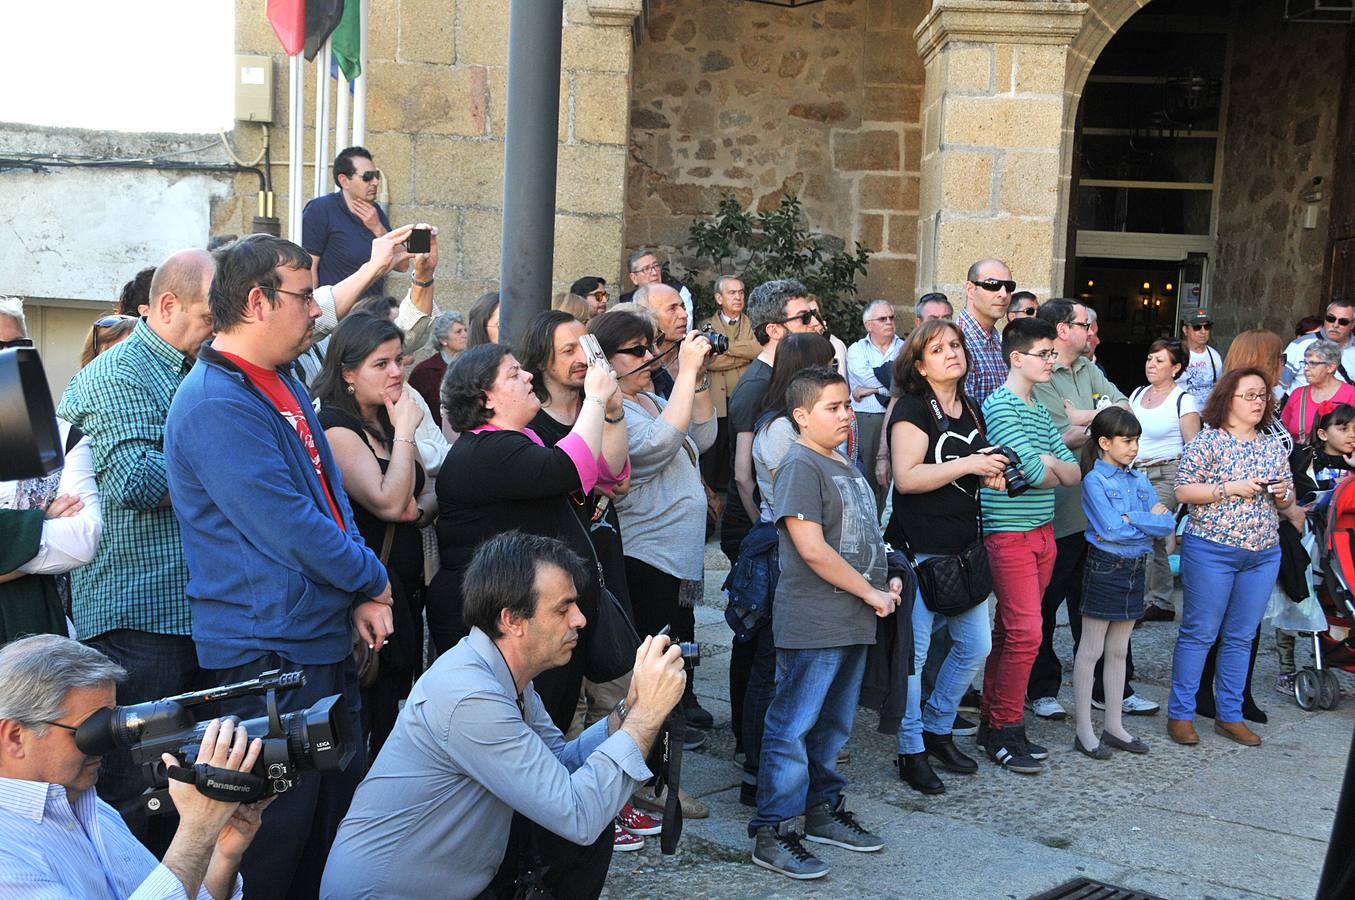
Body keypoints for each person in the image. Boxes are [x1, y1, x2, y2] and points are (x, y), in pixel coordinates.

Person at [164, 234, 392, 897]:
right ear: (259, 301)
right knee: (274, 841)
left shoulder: (283, 378)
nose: (318, 310)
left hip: (310, 638)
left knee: (329, 828)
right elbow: (289, 527)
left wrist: (360, 591)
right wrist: (371, 578)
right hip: (266, 651)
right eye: (303, 295)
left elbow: (329, 500)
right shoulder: (214, 402)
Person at [320, 533, 685, 900]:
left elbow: (560, 764)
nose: (580, 619)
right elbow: (578, 815)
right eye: (563, 609)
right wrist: (647, 717)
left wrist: (629, 709)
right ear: (512, 620)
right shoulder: (471, 696)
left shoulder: (502, 676)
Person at [57, 249, 218, 848]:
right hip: (136, 616)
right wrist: (222, 452)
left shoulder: (189, 369)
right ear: (168, 306)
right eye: (209, 313)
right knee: (141, 796)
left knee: (189, 790)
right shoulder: (119, 373)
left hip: (187, 612)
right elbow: (136, 482)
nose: (217, 326)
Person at [428, 341, 626, 736]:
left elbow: (608, 473)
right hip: (507, 625)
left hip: (527, 618)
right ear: (486, 398)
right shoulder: (488, 450)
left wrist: (613, 413)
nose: (529, 376)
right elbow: (568, 467)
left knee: (549, 721)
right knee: (527, 729)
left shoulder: (515, 441)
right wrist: (596, 398)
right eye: (514, 374)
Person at [749, 367, 898, 881]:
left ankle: (821, 812)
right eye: (832, 408)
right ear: (801, 415)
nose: (845, 415)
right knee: (792, 726)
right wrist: (870, 591)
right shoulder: (799, 465)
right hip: (815, 621)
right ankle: (775, 831)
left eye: (846, 406)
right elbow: (812, 550)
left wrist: (887, 581)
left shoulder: (846, 464)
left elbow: (860, 538)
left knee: (834, 726)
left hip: (855, 617)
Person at [516, 309, 650, 851]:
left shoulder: (595, 406)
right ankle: (566, 804)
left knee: (613, 680)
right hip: (554, 568)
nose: (580, 358)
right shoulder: (528, 419)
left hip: (599, 556)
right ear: (541, 357)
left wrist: (612, 413)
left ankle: (614, 801)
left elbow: (616, 479)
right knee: (560, 695)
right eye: (567, 348)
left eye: (584, 346)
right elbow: (571, 476)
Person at [0, 634, 273, 899]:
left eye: (111, 725)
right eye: (90, 731)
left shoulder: (91, 807)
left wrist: (221, 852)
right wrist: (197, 831)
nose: (107, 745)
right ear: (14, 737)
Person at [593, 311, 717, 761]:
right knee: (654, 653)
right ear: (606, 362)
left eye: (650, 347)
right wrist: (682, 372)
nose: (649, 357)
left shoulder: (648, 398)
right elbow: (655, 447)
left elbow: (701, 435)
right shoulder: (614, 409)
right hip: (646, 555)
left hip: (677, 556)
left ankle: (672, 725)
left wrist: (697, 380)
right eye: (637, 350)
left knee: (680, 638)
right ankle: (648, 751)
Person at [884, 320, 1002, 794]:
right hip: (917, 552)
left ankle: (937, 727)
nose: (952, 353)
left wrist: (989, 473)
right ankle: (910, 749)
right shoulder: (912, 409)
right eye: (938, 349)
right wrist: (972, 464)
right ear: (919, 364)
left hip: (961, 551)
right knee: (912, 658)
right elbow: (907, 478)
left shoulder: (970, 407)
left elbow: (964, 471)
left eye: (955, 345)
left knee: (976, 646)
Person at [312, 313, 436, 758]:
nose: (397, 372)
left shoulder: (384, 423)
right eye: (380, 364)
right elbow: (387, 501)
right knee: (368, 716)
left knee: (394, 716)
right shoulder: (335, 427)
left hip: (406, 592)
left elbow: (421, 495)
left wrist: (414, 509)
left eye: (399, 360)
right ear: (347, 374)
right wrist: (406, 431)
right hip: (368, 596)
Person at [1028, 299, 1157, 722]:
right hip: (1059, 511)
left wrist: (1086, 417)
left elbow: (1124, 415)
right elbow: (1055, 437)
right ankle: (1042, 688)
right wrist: (1095, 425)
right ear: (1063, 330)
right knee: (1046, 605)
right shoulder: (1043, 375)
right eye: (1086, 324)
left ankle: (1111, 689)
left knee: (1102, 604)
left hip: (1098, 517)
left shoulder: (1089, 369)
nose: (1094, 332)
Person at [718, 278, 822, 760]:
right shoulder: (758, 387)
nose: (817, 325)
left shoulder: (777, 385)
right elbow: (743, 473)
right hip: (760, 529)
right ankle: (752, 744)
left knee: (763, 647)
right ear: (775, 330)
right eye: (806, 320)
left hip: (772, 526)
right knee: (758, 646)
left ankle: (756, 741)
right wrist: (769, 524)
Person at [1169, 367, 1293, 748]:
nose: (1259, 403)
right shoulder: (1208, 443)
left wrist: (1283, 496)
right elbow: (1183, 492)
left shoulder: (1272, 444)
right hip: (1212, 550)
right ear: (1229, 400)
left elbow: (1287, 497)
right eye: (1250, 396)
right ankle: (1180, 714)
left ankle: (1230, 714)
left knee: (1240, 636)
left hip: (1262, 553)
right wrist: (1228, 488)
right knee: (1200, 633)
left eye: (1263, 396)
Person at [977, 316, 1081, 774]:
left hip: (1043, 531)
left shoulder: (1038, 408)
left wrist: (1048, 463)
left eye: (1052, 354)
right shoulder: (1000, 407)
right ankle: (1007, 726)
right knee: (1026, 634)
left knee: (1012, 632)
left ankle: (993, 722)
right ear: (1016, 358)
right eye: (1045, 354)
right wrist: (1049, 464)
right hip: (1010, 534)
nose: (1052, 361)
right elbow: (1039, 475)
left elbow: (1073, 471)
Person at [738, 332, 837, 806]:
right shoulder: (781, 431)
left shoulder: (790, 427)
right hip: (783, 550)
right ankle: (758, 770)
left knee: (773, 663)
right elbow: (794, 501)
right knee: (769, 665)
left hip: (790, 546)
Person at [1074, 408, 1174, 759]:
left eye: (1136, 440)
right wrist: (1146, 521)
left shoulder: (1138, 478)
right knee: (1091, 649)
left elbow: (1167, 524)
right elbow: (1112, 529)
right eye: (1127, 440)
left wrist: (1136, 518)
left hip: (1135, 566)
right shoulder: (1095, 480)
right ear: (1104, 443)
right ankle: (1084, 730)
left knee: (1119, 650)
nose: (1134, 447)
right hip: (1106, 566)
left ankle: (1114, 726)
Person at [0, 301, 100, 644]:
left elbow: (82, 541)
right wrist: (40, 522)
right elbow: (59, 539)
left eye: (16, 347)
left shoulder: (63, 437)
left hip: (37, 646)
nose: (6, 359)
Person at [1279, 404, 1355, 694]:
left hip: (1342, 540)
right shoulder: (1304, 459)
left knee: (1336, 602)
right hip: (1307, 536)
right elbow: (1300, 491)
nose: (1351, 435)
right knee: (1294, 596)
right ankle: (1286, 668)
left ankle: (1330, 653)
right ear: (1323, 433)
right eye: (1343, 428)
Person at [1129, 339, 1201, 622]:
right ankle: (1161, 602)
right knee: (1155, 538)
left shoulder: (1184, 400)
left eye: (1160, 360)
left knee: (1144, 529)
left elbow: (1194, 447)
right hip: (1136, 473)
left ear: (1176, 368)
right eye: (1149, 358)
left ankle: (1137, 602)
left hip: (1167, 472)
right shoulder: (1136, 394)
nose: (1151, 365)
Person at [302, 146, 410, 296]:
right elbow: (309, 268)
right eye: (367, 176)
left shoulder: (375, 212)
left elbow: (403, 265)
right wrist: (313, 312)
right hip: (337, 313)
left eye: (376, 175)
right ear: (344, 181)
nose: (375, 182)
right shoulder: (321, 210)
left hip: (371, 312)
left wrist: (378, 227)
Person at [698, 275, 760, 491]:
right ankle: (713, 497)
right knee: (716, 453)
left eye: (741, 292)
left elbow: (759, 349)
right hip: (717, 400)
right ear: (719, 298)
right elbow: (710, 363)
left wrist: (724, 347)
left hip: (745, 399)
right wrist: (745, 353)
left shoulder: (754, 323)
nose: (738, 297)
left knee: (743, 452)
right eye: (732, 293)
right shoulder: (705, 325)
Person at [847, 299, 905, 514]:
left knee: (894, 477)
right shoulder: (856, 350)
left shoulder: (905, 348)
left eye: (891, 317)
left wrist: (869, 390)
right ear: (869, 325)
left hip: (899, 417)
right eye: (882, 319)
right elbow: (877, 380)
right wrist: (890, 388)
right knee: (868, 478)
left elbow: (906, 383)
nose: (889, 322)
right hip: (867, 419)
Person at [956, 259, 1013, 406]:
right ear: (970, 289)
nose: (1003, 294)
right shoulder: (956, 344)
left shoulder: (998, 342)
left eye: (1009, 286)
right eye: (992, 285)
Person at [1280, 338, 1355, 441]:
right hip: (1302, 455)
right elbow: (1283, 431)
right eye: (1305, 363)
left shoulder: (1351, 394)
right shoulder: (1298, 394)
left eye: (1313, 363)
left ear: (1331, 367)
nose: (1306, 368)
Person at [631, 282, 691, 399]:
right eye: (672, 309)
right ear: (646, 315)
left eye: (683, 307)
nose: (684, 314)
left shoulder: (691, 355)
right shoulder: (637, 374)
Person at [1282, 298, 1355, 393]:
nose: (1335, 325)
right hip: (1303, 405)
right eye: (1331, 319)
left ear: (1352, 324)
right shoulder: (1300, 345)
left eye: (1343, 322)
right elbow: (1280, 383)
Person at [408, 310, 466, 427]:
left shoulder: (471, 366)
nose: (464, 335)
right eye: (458, 332)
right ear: (443, 340)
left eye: (465, 330)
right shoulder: (424, 372)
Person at [620, 248, 693, 325]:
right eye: (646, 269)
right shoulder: (625, 303)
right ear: (634, 278)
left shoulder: (679, 291)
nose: (654, 272)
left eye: (656, 266)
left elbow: (686, 327)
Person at [1177, 309, 1223, 408]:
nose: (1203, 332)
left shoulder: (1214, 355)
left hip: (1206, 416)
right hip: (1181, 414)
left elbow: (1218, 385)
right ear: (1185, 330)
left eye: (1207, 327)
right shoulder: (1176, 354)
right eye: (1197, 327)